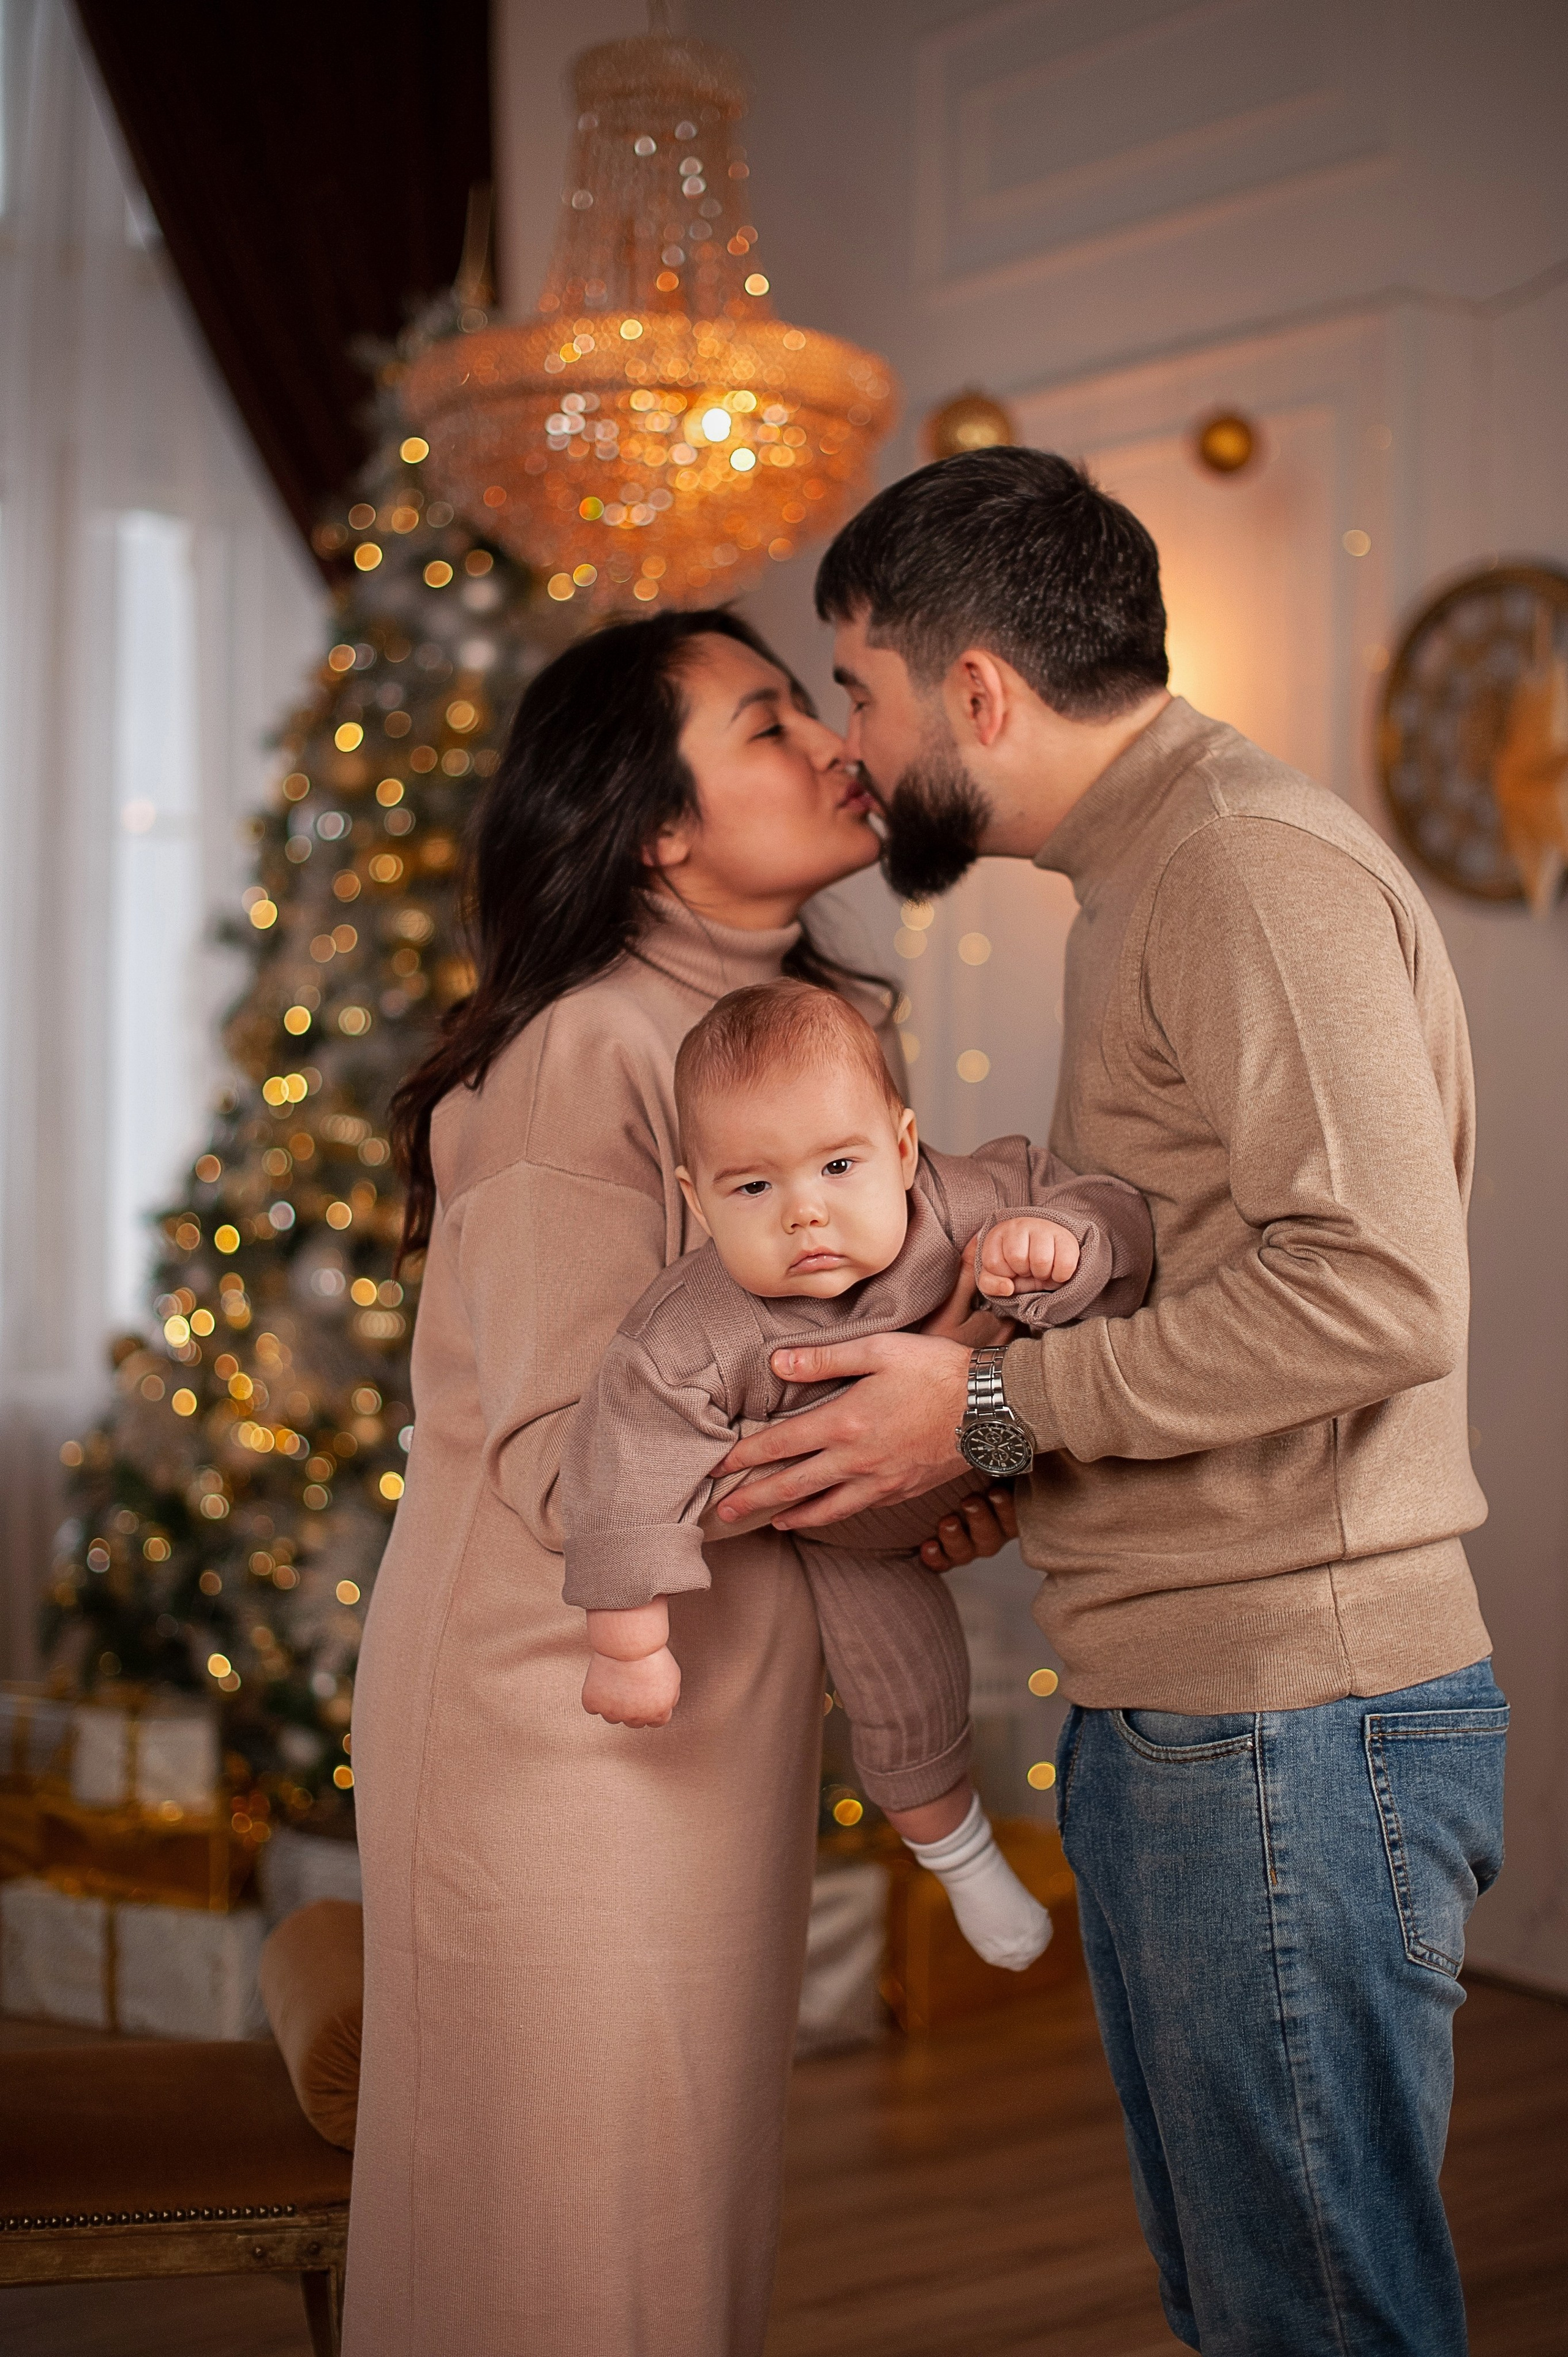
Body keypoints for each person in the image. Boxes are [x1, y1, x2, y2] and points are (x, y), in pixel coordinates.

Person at [717, 447, 1507, 2357]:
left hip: (1290, 1718)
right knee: (1250, 2307)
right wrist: (1010, 1442)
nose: (849, 744)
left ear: (975, 694)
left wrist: (992, 1421)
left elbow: (1378, 1290)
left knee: (1311, 2318)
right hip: (1215, 1711)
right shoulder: (1154, 867)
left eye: (857, 691)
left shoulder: (1239, 863)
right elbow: (1221, 1270)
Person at [344, 607, 1017, 2357]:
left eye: (812, 712)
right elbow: (578, 1467)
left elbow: (794, 1394)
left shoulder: (773, 1034)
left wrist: (937, 1450)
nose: (824, 747)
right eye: (765, 725)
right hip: (556, 1726)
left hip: (713, 1704)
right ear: (655, 827)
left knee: (677, 2216)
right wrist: (914, 1408)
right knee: (573, 2242)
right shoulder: (590, 1050)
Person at [562, 977, 1153, 1969]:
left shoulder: (968, 1202)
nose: (806, 1213)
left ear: (907, 1146)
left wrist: (1064, 1245)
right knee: (903, 1705)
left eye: (840, 1165)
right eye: (753, 1187)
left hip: (1023, 1467)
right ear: (694, 1199)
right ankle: (965, 1862)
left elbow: (1115, 1213)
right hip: (855, 1547)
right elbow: (625, 1454)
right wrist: (628, 1640)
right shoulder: (691, 1327)